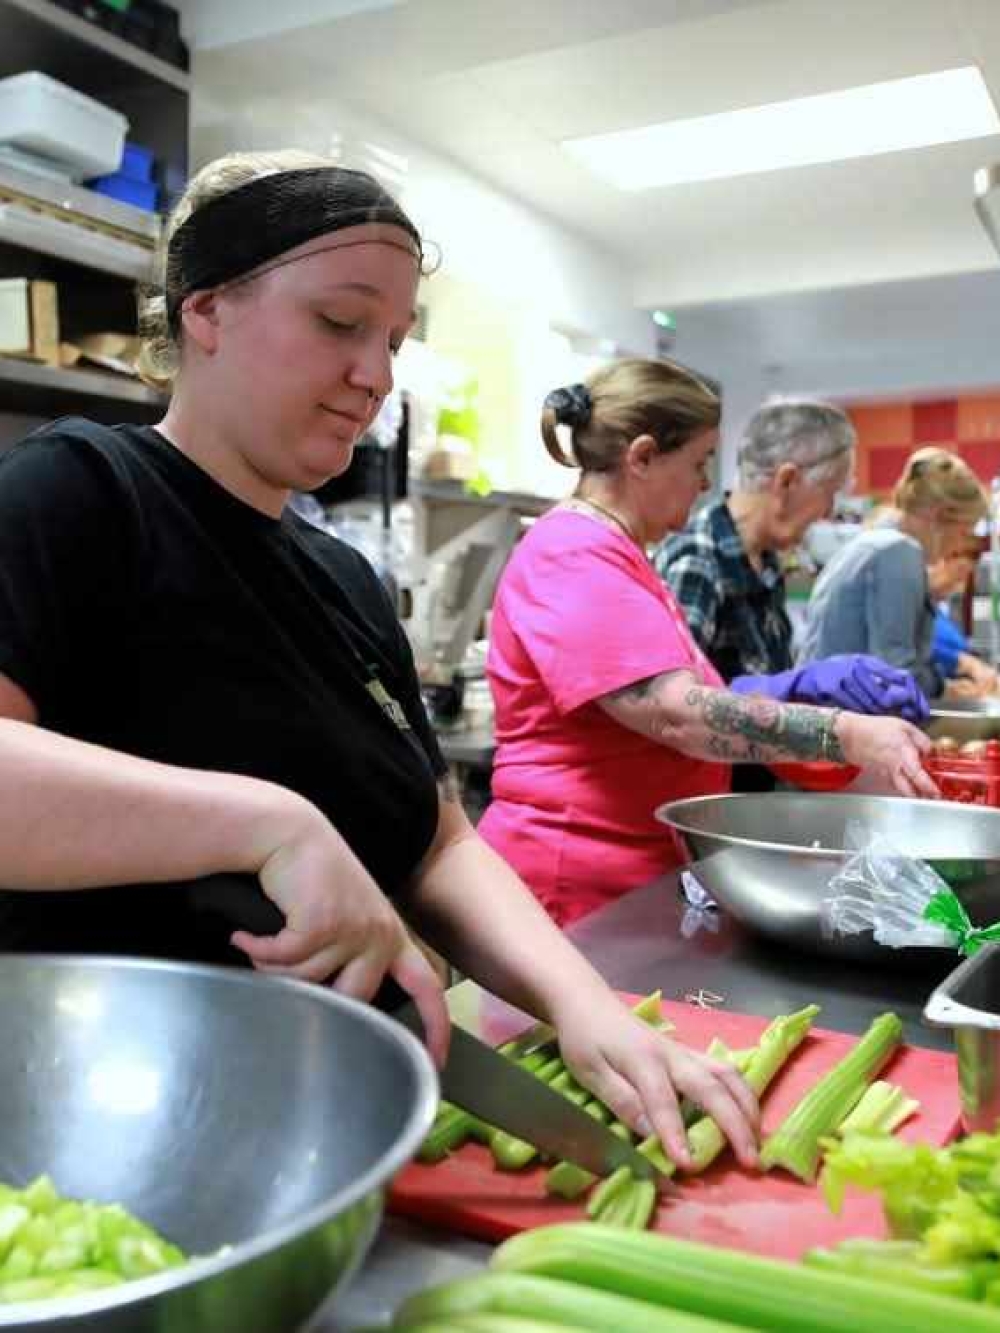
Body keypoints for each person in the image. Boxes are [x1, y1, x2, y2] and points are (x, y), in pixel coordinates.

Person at [0, 150, 761, 1171]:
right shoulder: (79, 491)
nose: (377, 374)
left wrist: (585, 1006)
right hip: (104, 1144)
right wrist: (267, 824)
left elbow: (438, 843)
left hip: (334, 1129)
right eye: (339, 322)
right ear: (206, 309)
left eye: (394, 338)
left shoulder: (342, 582)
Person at [478, 361, 936, 930]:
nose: (703, 484)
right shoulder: (574, 552)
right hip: (570, 881)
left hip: (624, 873)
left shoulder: (618, 555)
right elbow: (674, 714)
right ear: (641, 457)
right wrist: (844, 734)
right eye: (697, 464)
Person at [653, 398, 926, 790]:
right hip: (705, 799)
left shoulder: (764, 562)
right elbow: (672, 712)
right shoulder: (698, 558)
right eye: (830, 493)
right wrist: (797, 690)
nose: (828, 512)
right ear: (786, 481)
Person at [799, 448, 990, 701]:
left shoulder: (875, 541)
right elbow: (895, 673)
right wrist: (947, 690)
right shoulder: (898, 552)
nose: (957, 546)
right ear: (939, 516)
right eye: (962, 531)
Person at [927, 546, 998, 696]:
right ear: (940, 562)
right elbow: (916, 646)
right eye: (959, 574)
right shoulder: (913, 605)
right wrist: (967, 664)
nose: (960, 586)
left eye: (966, 578)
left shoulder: (936, 611)